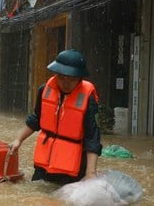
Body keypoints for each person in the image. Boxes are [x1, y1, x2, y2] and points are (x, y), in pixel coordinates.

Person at [9, 49, 102, 185]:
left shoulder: (88, 99)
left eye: (71, 79)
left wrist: (90, 174)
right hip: (43, 168)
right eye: (61, 77)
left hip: (72, 172)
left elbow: (93, 138)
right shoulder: (44, 90)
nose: (65, 83)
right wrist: (18, 140)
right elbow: (36, 119)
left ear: (80, 78)